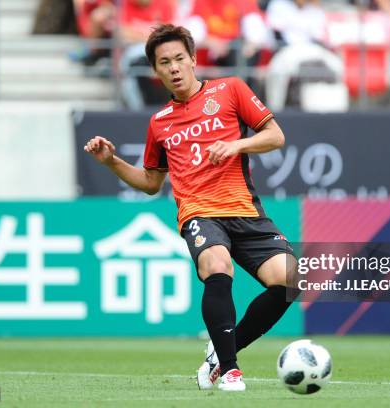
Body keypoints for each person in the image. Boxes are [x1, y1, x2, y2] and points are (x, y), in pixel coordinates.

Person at [84, 24, 299, 391]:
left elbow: (275, 136)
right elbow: (152, 183)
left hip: (245, 210)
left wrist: (235, 146)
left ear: (194, 59)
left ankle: (220, 352)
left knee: (290, 280)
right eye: (164, 62)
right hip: (199, 212)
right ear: (155, 71)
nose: (174, 68)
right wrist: (112, 162)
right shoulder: (160, 123)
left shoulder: (230, 89)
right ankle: (230, 371)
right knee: (217, 264)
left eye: (179, 59)